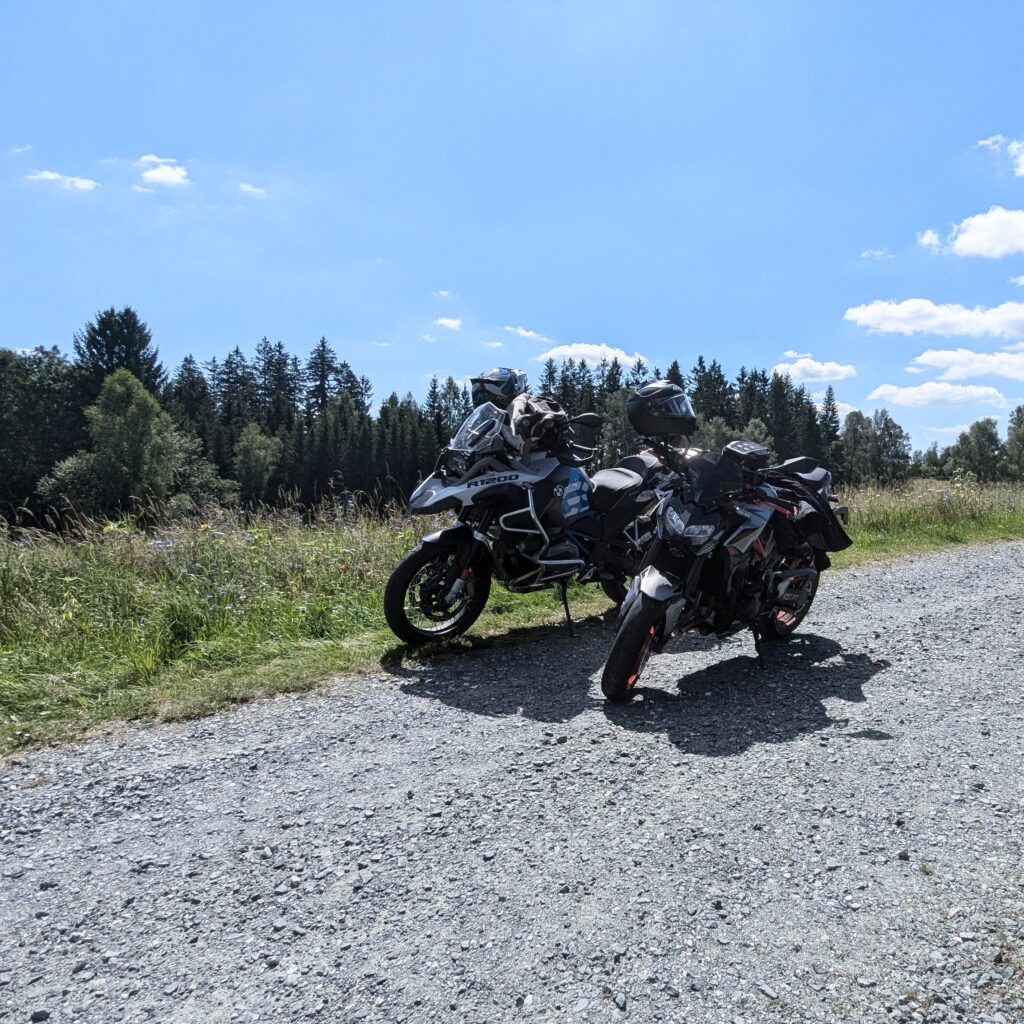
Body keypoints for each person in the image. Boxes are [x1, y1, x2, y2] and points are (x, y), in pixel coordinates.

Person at [469, 367, 569, 456]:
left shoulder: (524, 405)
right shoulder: (488, 424)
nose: (482, 397)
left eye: (487, 394)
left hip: (542, 466)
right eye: (480, 394)